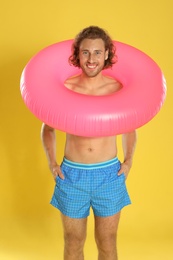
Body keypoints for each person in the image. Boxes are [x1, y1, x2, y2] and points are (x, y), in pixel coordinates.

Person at [41, 26, 137, 260]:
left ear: (106, 54)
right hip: (73, 175)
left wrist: (128, 161)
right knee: (73, 241)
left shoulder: (116, 90)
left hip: (108, 174)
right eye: (85, 53)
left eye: (96, 52)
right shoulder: (67, 89)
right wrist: (52, 163)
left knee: (107, 241)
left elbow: (129, 128)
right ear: (78, 55)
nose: (91, 59)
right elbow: (48, 128)